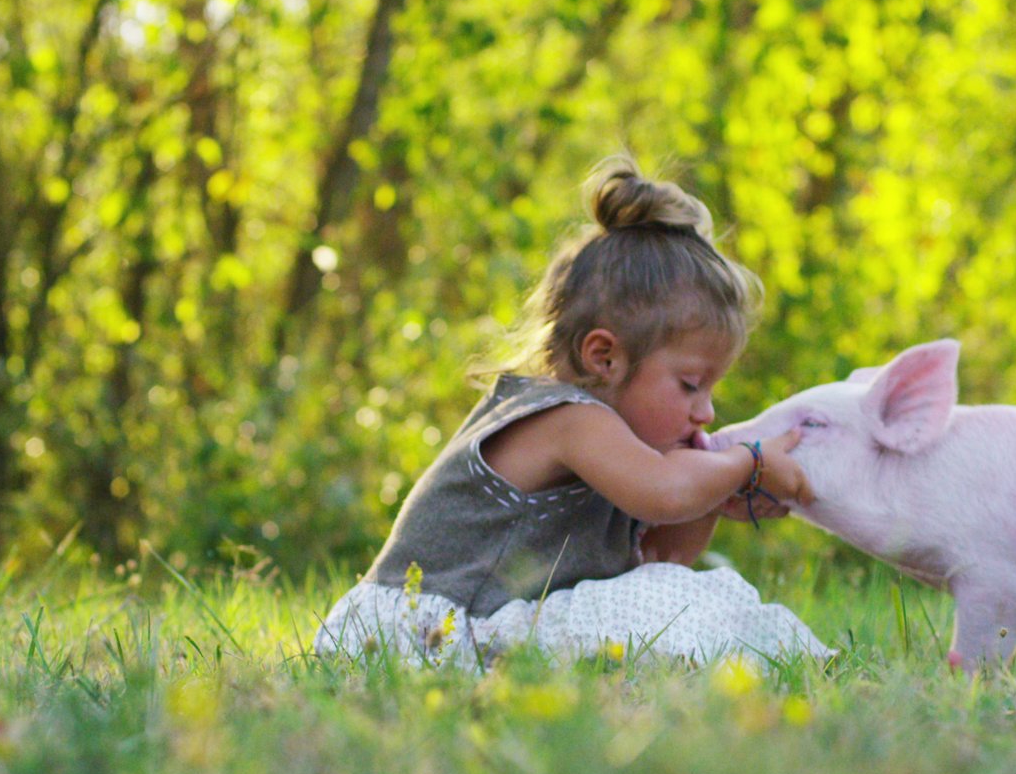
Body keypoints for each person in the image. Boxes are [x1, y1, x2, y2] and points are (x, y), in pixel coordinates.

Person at [313, 155, 834, 667]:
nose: (706, 411)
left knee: (682, 593)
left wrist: (717, 494)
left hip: (487, 630)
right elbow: (666, 494)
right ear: (603, 357)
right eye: (691, 385)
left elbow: (661, 560)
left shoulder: (627, 451)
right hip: (423, 634)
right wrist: (749, 463)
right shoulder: (569, 419)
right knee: (677, 602)